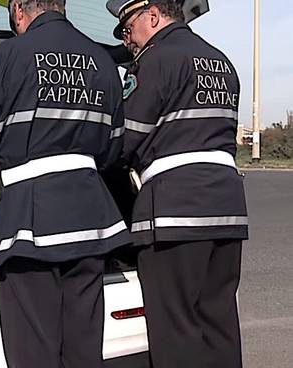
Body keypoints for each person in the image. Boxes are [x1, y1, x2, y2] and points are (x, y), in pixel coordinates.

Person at [0, 0, 131, 367]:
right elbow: (113, 151)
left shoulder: (9, 56)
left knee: (34, 351)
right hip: (89, 220)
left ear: (18, 11)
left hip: (29, 222)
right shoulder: (104, 63)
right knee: (83, 348)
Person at [105, 0, 248, 367]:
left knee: (175, 328)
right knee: (219, 323)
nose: (127, 39)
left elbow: (126, 138)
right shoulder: (221, 62)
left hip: (175, 211)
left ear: (152, 16)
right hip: (227, 208)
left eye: (127, 27)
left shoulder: (156, 60)